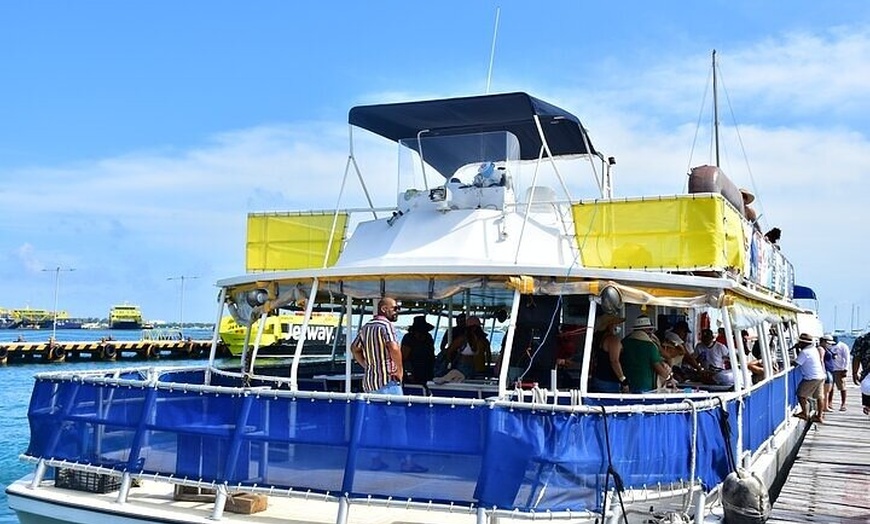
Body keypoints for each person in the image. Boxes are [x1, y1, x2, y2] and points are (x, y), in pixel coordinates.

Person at [351, 297, 426, 473]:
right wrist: (399, 370)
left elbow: (354, 348)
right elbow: (393, 347)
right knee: (398, 424)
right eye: (395, 308)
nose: (397, 311)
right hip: (388, 381)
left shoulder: (366, 327)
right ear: (384, 309)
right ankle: (405, 461)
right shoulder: (386, 326)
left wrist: (367, 365)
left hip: (370, 382)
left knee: (373, 424)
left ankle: (375, 460)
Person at [620, 315, 672, 393]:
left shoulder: (623, 343)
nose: (651, 332)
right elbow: (658, 368)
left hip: (627, 385)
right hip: (646, 387)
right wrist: (669, 377)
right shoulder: (650, 346)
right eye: (650, 329)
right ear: (646, 330)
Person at [792, 333, 827, 422]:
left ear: (803, 343)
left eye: (800, 342)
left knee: (801, 394)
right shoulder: (813, 349)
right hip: (820, 375)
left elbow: (796, 363)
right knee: (819, 397)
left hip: (811, 378)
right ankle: (819, 416)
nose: (799, 344)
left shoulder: (804, 352)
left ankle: (804, 413)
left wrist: (789, 361)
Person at [589, 314, 628, 393]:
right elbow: (614, 361)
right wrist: (623, 380)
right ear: (610, 325)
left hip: (598, 378)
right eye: (615, 323)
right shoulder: (613, 340)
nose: (617, 325)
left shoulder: (600, 339)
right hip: (610, 381)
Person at [401, 315, 436, 386]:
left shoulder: (428, 337)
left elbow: (432, 353)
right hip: (413, 371)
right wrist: (409, 372)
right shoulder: (409, 338)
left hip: (428, 370)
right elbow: (404, 357)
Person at [824, 335, 850, 411]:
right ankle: (829, 402)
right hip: (831, 369)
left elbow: (847, 358)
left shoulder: (843, 346)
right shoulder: (829, 346)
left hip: (840, 369)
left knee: (842, 387)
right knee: (830, 387)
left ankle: (843, 404)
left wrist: (845, 369)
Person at [850, 332, 870, 415]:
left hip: (867, 373)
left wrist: (854, 373)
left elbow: (856, 357)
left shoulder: (862, 339)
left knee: (867, 389)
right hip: (867, 373)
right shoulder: (862, 339)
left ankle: (868, 405)